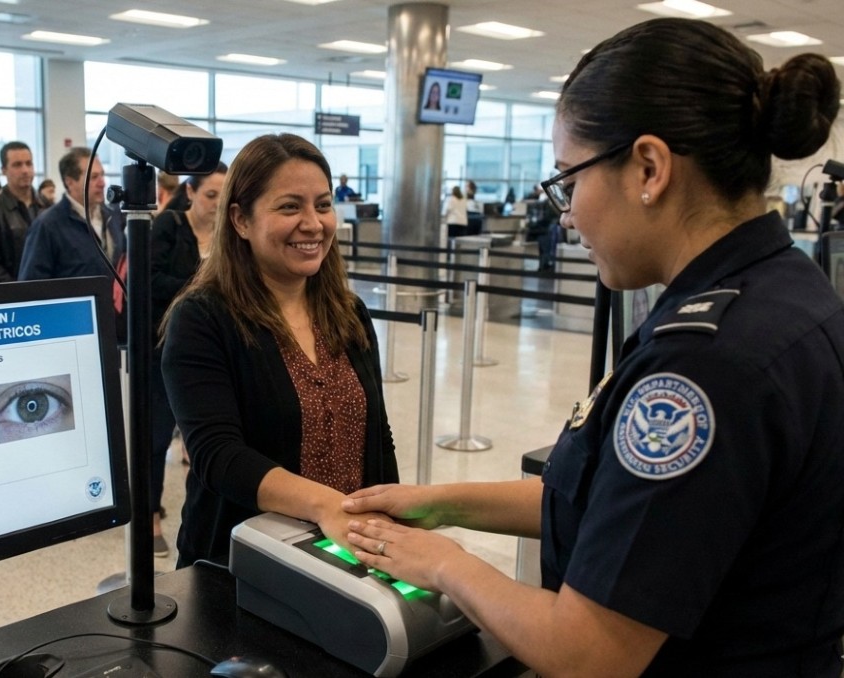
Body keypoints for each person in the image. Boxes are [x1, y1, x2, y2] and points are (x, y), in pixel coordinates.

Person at [341, 18, 844, 677]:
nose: (568, 215)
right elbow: (619, 504)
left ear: (649, 167)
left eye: (569, 181)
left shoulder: (705, 369)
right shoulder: (786, 291)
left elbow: (589, 654)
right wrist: (442, 503)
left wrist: (444, 564)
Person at [161, 134, 398, 568]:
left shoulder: (348, 313)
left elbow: (377, 436)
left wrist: (392, 520)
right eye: (290, 207)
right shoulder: (203, 319)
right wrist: (326, 506)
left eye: (323, 205)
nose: (313, 223)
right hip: (243, 564)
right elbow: (219, 456)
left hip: (349, 551)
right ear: (241, 220)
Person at [147, 161, 228, 557]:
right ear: (191, 192)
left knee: (208, 437)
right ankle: (150, 515)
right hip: (163, 346)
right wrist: (201, 286)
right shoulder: (169, 227)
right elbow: (149, 279)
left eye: (223, 197)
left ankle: (204, 517)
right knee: (156, 435)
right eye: (210, 195)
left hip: (212, 350)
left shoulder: (230, 234)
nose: (216, 204)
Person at [18, 146, 124, 283]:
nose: (102, 183)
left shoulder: (112, 217)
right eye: (93, 177)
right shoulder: (48, 225)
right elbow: (32, 284)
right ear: (70, 182)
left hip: (110, 303)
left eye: (102, 175)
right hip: (75, 303)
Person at [0, 141, 44, 284]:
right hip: (11, 296)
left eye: (29, 163)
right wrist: (19, 292)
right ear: (4, 170)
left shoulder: (46, 206)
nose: (25, 170)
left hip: (49, 293)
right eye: (17, 165)